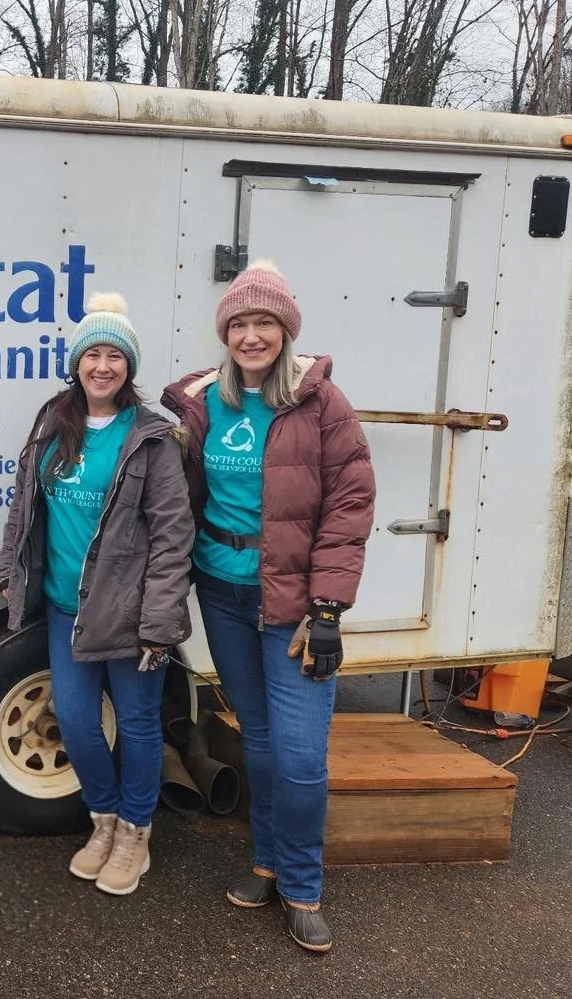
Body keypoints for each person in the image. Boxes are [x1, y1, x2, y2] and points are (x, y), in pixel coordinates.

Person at [162, 261, 375, 953]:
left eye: (265, 323)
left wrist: (328, 610)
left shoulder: (323, 405)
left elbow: (349, 508)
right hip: (221, 591)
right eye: (240, 324)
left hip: (293, 600)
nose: (252, 336)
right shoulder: (202, 403)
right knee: (256, 735)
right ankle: (265, 862)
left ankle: (303, 885)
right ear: (225, 333)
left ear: (286, 329)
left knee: (301, 753)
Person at [0, 292, 195, 896]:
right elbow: (24, 506)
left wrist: (160, 622)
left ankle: (136, 832)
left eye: (115, 355)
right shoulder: (55, 422)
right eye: (92, 354)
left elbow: (172, 536)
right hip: (65, 607)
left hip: (131, 613)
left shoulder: (152, 437)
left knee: (136, 724)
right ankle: (103, 820)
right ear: (77, 362)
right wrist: (11, 570)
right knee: (78, 722)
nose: (102, 366)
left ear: (129, 367)